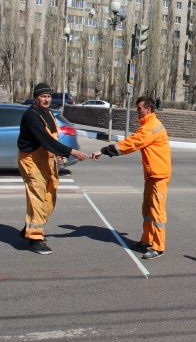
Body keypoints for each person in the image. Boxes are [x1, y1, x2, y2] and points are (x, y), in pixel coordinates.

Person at [91, 96, 171, 260]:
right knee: (148, 209)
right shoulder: (149, 125)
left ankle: (158, 246)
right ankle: (147, 240)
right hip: (152, 173)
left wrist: (104, 151)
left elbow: (132, 143)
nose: (137, 112)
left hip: (159, 174)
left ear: (147, 110)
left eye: (139, 109)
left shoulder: (152, 127)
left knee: (157, 211)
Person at [18, 83, 88, 255]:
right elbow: (46, 140)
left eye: (49, 96)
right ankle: (35, 239)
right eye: (43, 96)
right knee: (38, 198)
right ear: (36, 98)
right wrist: (72, 152)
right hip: (31, 161)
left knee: (50, 198)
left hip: (47, 160)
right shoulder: (31, 116)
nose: (47, 99)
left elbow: (55, 139)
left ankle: (30, 227)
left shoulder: (49, 113)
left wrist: (61, 159)